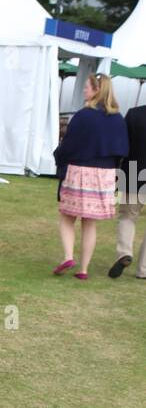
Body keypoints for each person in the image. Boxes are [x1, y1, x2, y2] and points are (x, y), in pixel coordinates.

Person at [52, 73, 128, 279]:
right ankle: (83, 269)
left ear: (96, 90)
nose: (84, 90)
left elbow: (68, 145)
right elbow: (121, 150)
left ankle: (68, 256)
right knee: (89, 222)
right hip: (105, 175)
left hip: (80, 171)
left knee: (67, 216)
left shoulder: (83, 115)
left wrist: (58, 157)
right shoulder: (118, 119)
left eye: (86, 87)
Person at [108, 102, 146, 279]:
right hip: (134, 173)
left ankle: (124, 252)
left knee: (128, 217)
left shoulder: (134, 114)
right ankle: (144, 269)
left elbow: (122, 146)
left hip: (134, 173)